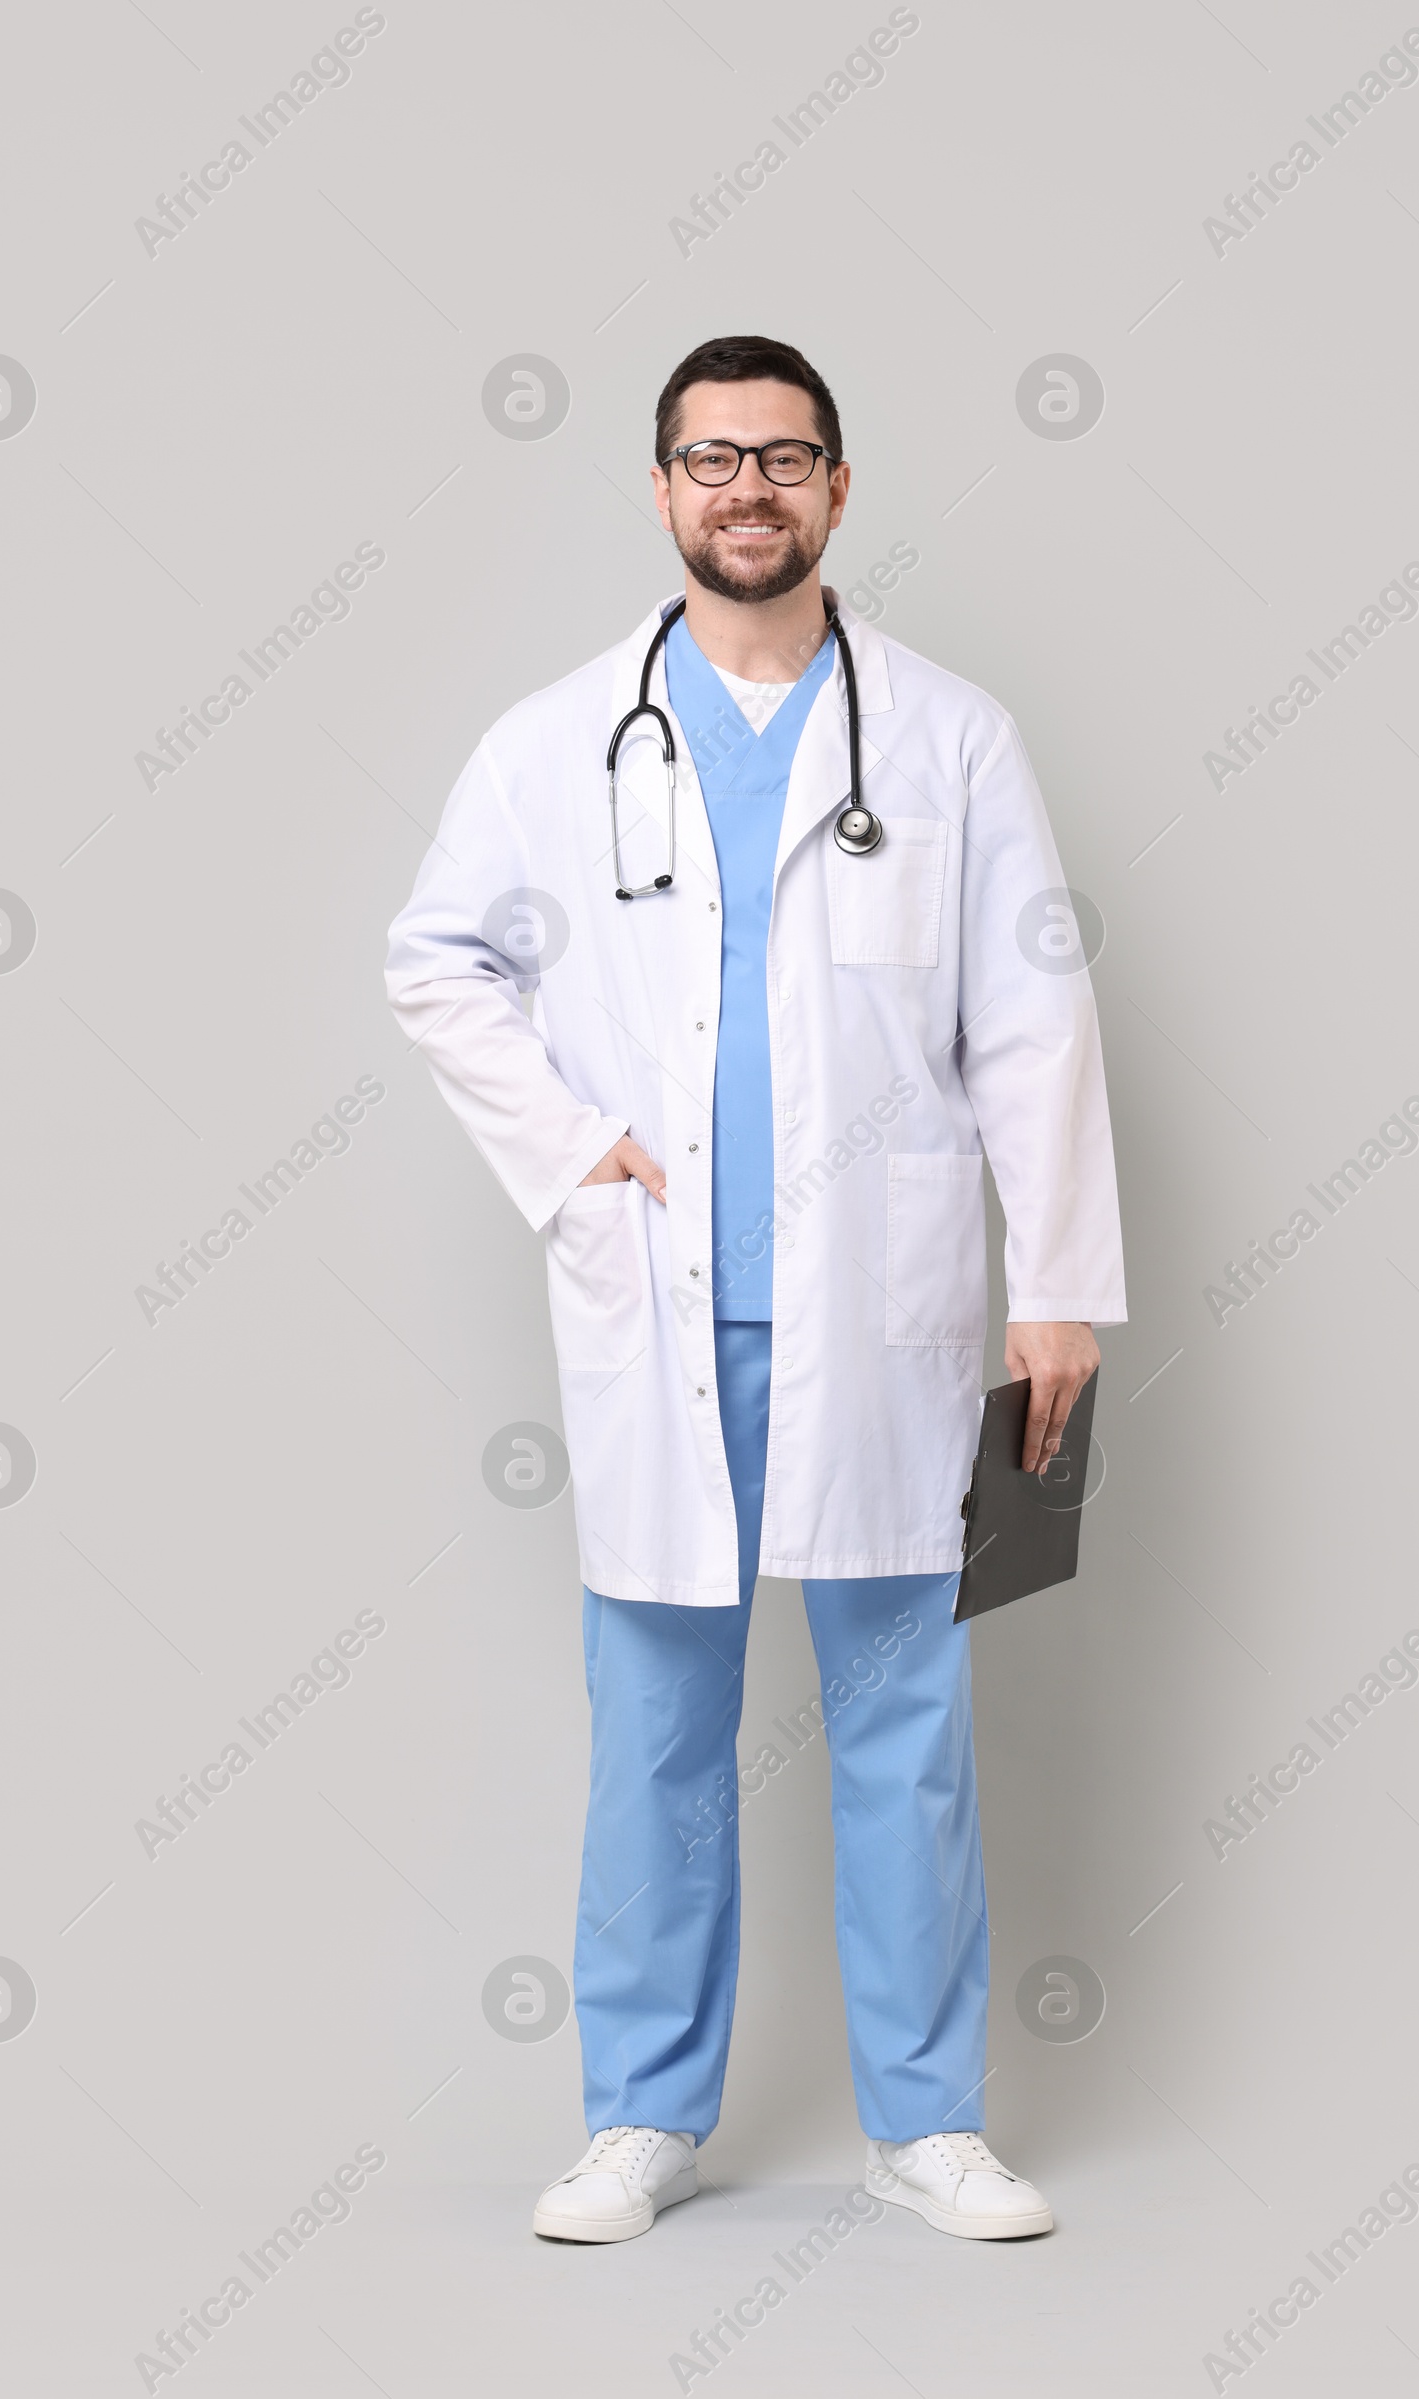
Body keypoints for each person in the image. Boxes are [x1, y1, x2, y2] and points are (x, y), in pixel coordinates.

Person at [386, 333, 1126, 2244]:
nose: (746, 491)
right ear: (659, 491)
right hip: (663, 1302)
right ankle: (640, 2115)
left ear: (839, 491)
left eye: (783, 459)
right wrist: (570, 1154)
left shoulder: (951, 738)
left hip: (885, 1310)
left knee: (906, 1722)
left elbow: (1034, 1021)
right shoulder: (557, 740)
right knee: (655, 1731)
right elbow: (437, 959)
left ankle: (929, 2120)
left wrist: (1059, 1293)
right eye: (710, 461)